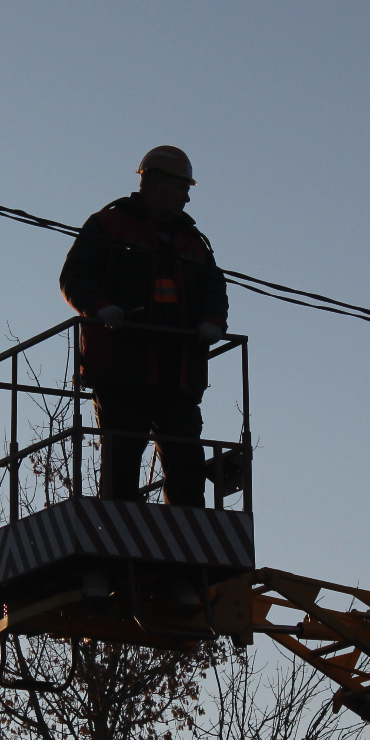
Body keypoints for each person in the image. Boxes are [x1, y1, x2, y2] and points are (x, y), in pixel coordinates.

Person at [59, 146, 228, 507]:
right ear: (156, 183)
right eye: (182, 187)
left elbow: (215, 289)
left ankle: (185, 534)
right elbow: (75, 276)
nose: (186, 197)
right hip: (123, 368)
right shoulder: (110, 225)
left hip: (177, 374)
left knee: (186, 461)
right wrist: (101, 307)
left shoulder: (193, 242)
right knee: (123, 457)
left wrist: (212, 322)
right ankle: (117, 530)